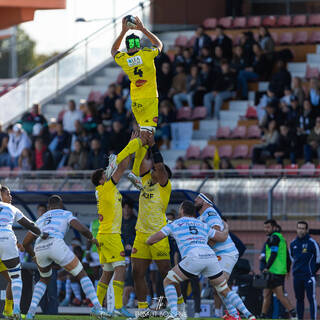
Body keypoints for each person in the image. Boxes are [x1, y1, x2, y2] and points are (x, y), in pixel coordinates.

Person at [147, 200, 256, 320]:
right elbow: (222, 237)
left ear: (182, 210)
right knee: (224, 289)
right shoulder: (202, 225)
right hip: (210, 257)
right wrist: (226, 227)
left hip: (194, 257)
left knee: (168, 281)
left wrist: (147, 240)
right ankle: (249, 315)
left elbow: (153, 239)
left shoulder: (175, 224)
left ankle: (174, 315)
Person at [22, 195, 110, 320]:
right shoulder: (65, 213)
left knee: (43, 279)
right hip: (55, 243)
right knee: (81, 273)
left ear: (48, 207)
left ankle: (30, 313)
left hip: (39, 247)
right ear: (61, 204)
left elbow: (25, 243)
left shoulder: (41, 218)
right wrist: (91, 237)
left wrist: (34, 256)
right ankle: (97, 307)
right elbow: (81, 228)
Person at [130, 133, 185, 318]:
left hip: (159, 234)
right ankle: (143, 310)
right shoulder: (145, 181)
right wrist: (138, 144)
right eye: (152, 170)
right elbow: (139, 163)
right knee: (137, 272)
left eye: (156, 170)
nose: (153, 170)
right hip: (141, 235)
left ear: (164, 176)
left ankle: (179, 307)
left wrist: (153, 146)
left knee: (165, 273)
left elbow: (160, 166)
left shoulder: (164, 186)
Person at [107, 15, 163, 190]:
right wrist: (143, 29)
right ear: (138, 45)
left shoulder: (124, 59)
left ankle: (135, 173)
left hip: (136, 102)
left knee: (144, 138)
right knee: (145, 137)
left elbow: (113, 50)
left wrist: (123, 31)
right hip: (150, 100)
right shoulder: (146, 55)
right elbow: (159, 45)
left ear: (128, 47)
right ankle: (117, 159)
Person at [195, 193, 253, 319]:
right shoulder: (201, 217)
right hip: (220, 255)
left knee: (220, 285)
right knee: (218, 285)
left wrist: (205, 248)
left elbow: (216, 229)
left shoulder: (210, 212)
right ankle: (234, 314)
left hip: (226, 253)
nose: (195, 200)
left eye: (198, 198)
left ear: (205, 202)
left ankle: (246, 314)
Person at [91, 144, 134, 317]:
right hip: (110, 235)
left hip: (105, 235)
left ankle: (96, 307)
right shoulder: (106, 188)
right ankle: (117, 306)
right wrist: (132, 145)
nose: (107, 175)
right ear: (102, 180)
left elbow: (124, 166)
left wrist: (128, 153)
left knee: (107, 272)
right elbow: (122, 167)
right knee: (121, 268)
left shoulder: (105, 190)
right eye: (105, 174)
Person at [0, 183, 46, 319]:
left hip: (7, 241)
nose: (10, 196)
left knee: (10, 280)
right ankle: (16, 310)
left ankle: (8, 310)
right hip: (7, 240)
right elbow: (31, 225)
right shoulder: (11, 208)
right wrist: (43, 234)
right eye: (8, 193)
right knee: (15, 277)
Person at [260, 219, 297, 320]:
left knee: (279, 295)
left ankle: (294, 314)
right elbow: (287, 257)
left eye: (268, 227)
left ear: (274, 227)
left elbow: (274, 253)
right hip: (277, 271)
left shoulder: (274, 238)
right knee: (267, 294)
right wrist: (288, 269)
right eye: (264, 227)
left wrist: (266, 267)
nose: (265, 229)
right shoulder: (281, 238)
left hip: (275, 271)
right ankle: (262, 316)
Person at [290, 221, 320, 320]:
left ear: (306, 230)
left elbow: (318, 260)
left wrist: (312, 272)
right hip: (297, 277)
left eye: (303, 228)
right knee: (299, 300)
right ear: (296, 229)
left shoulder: (312, 243)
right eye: (299, 228)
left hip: (309, 276)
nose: (301, 230)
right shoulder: (293, 243)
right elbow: (292, 258)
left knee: (312, 299)